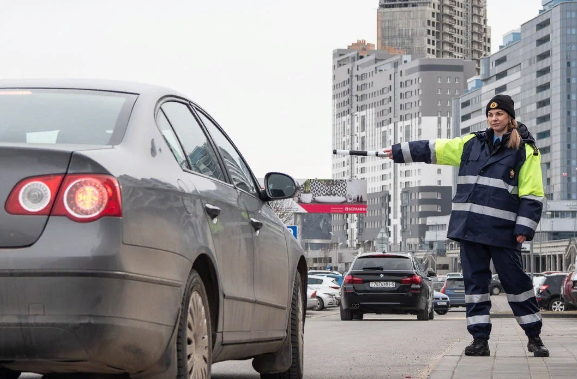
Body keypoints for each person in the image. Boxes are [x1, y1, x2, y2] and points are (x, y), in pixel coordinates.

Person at [383, 94, 549, 357]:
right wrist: (401, 151)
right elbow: (436, 148)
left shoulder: (525, 151)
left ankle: (534, 336)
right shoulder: (472, 144)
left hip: (503, 232)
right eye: (491, 115)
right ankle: (479, 340)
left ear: (510, 118)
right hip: (471, 230)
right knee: (475, 287)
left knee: (517, 283)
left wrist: (523, 230)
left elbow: (533, 194)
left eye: (500, 115)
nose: (494, 119)